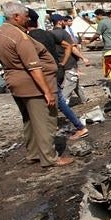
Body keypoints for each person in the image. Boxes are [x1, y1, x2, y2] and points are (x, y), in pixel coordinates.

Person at [0, 2, 73, 167]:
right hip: (33, 85)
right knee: (45, 121)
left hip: (16, 83)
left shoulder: (0, 33)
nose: (27, 19)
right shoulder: (19, 37)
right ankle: (50, 158)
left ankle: (33, 153)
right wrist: (47, 92)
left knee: (29, 120)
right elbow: (34, 68)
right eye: (25, 16)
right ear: (16, 16)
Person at [27, 10, 88, 141]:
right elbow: (69, 47)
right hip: (56, 70)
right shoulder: (48, 34)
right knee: (58, 98)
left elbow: (69, 47)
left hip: (45, 73)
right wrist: (61, 64)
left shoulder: (29, 38)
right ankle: (74, 126)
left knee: (56, 99)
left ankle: (77, 127)